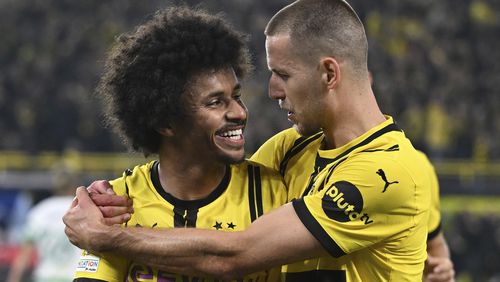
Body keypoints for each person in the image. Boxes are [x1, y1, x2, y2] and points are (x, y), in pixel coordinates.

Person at [64, 0, 439, 281]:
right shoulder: (288, 151)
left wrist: (106, 237)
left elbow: (236, 254)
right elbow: (223, 194)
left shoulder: (390, 172)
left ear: (328, 73)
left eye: (282, 74)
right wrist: (107, 199)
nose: (272, 91)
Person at [69, 6, 287, 282]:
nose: (240, 113)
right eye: (216, 102)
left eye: (236, 96)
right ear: (166, 123)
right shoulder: (119, 204)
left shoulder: (273, 194)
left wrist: (107, 237)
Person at [7, 164, 82, 282]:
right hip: (73, 276)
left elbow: (24, 255)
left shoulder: (39, 211)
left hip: (45, 277)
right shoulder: (82, 209)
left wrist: (14, 279)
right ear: (74, 185)